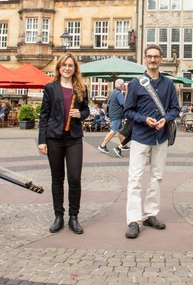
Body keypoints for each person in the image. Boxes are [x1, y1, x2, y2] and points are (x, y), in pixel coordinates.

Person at [123, 44, 180, 239]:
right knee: (135, 178)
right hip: (140, 135)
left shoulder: (168, 84)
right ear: (145, 59)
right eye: (149, 56)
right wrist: (144, 119)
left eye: (156, 56)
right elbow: (128, 111)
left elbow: (175, 108)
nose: (153, 60)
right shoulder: (136, 83)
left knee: (157, 177)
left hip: (161, 137)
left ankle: (150, 213)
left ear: (161, 59)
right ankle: (133, 219)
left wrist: (166, 119)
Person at [37, 53, 90, 235]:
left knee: (74, 178)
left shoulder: (81, 88)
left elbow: (87, 110)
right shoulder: (51, 88)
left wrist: (80, 115)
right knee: (57, 179)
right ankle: (58, 216)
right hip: (54, 138)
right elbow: (44, 115)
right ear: (59, 68)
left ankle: (73, 217)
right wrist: (42, 141)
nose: (67, 68)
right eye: (64, 65)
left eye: (70, 65)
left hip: (74, 138)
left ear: (75, 68)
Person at [98, 79, 126, 156]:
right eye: (123, 84)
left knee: (121, 130)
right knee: (113, 131)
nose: (124, 86)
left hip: (113, 114)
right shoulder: (119, 94)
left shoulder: (113, 92)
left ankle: (123, 144)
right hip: (117, 115)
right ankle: (102, 145)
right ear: (121, 85)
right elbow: (124, 104)